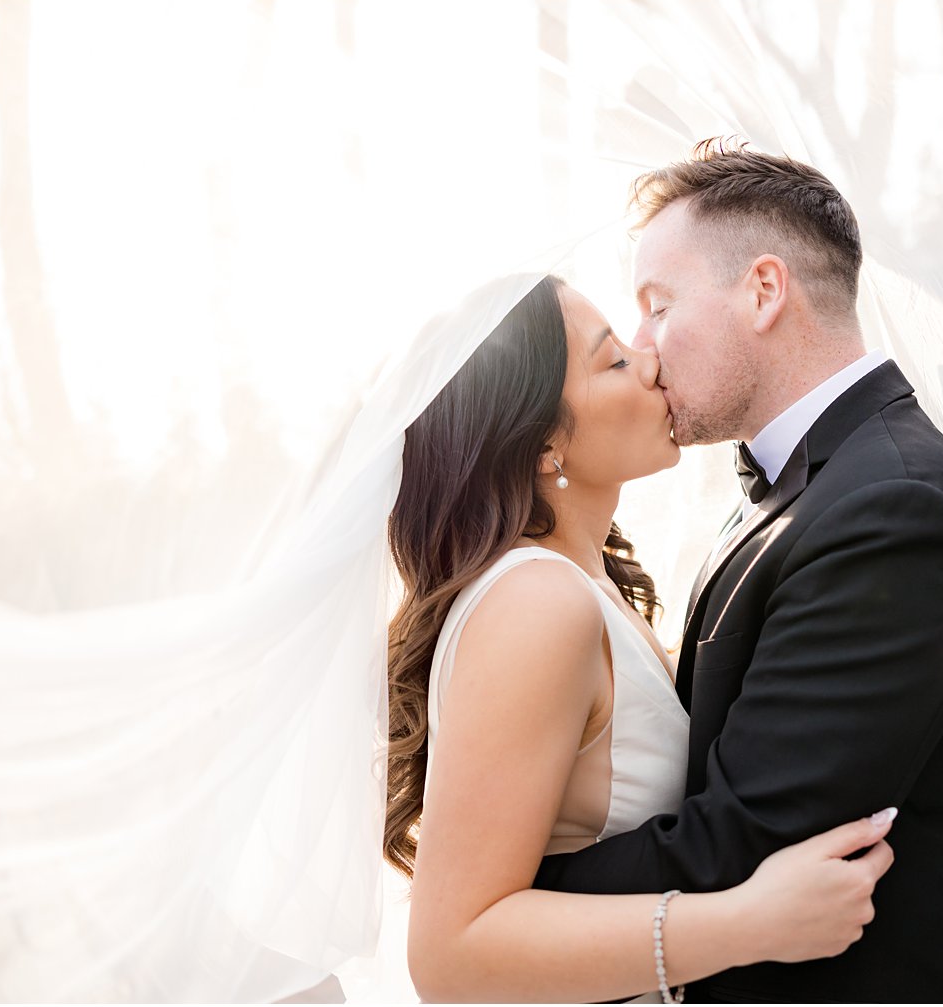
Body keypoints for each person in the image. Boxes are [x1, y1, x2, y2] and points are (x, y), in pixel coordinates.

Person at [531, 139, 943, 1003]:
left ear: (764, 290)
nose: (644, 349)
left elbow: (745, 838)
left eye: (658, 306)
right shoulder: (812, 487)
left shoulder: (898, 512)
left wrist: (503, 913)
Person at [382, 273, 897, 1003]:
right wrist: (749, 922)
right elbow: (449, 953)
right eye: (614, 360)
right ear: (545, 446)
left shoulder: (587, 590)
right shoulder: (537, 601)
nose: (650, 359)